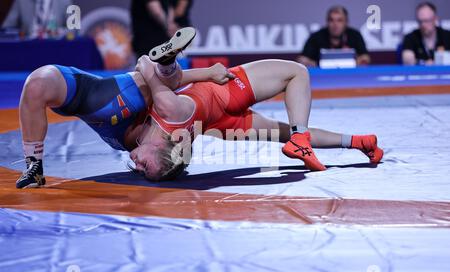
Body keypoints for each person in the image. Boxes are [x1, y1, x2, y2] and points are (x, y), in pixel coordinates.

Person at [16, 27, 383, 188]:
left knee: (283, 130)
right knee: (295, 81)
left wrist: (173, 68)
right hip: (222, 98)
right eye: (147, 168)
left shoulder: (171, 129)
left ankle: (351, 141)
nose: (136, 166)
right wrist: (203, 70)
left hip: (219, 118)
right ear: (162, 148)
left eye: (140, 168)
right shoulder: (169, 117)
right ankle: (338, 139)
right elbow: (147, 65)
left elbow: (147, 68)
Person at [297, 5, 370, 67]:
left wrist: (352, 63)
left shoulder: (355, 35)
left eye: (339, 20)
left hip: (350, 75)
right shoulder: (316, 37)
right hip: (321, 76)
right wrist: (320, 65)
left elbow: (365, 58)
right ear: (327, 22)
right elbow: (302, 60)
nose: (335, 24)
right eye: (331, 20)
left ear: (346, 22)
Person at [2, 0, 72, 38]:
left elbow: (75, 29)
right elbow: (6, 28)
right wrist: (21, 34)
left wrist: (60, 32)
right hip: (28, 47)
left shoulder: (65, 1)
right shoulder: (21, 1)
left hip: (56, 46)